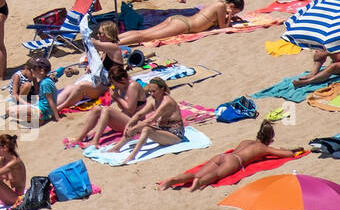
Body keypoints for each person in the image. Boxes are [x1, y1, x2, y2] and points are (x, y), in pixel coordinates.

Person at [160, 123, 303, 191]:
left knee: (195, 173)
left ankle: (172, 181)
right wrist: (291, 150)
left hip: (223, 156)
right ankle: (199, 183)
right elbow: (288, 154)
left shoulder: (246, 141)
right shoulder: (264, 148)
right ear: (270, 137)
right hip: (234, 161)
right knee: (215, 175)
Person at [106, 78, 187, 165]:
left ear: (162, 89)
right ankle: (117, 148)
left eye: (154, 91)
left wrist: (134, 128)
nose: (151, 94)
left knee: (146, 129)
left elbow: (151, 120)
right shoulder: (154, 101)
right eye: (150, 91)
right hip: (163, 129)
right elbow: (139, 115)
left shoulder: (167, 102)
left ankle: (132, 155)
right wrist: (129, 125)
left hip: (175, 134)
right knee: (137, 124)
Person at [116, 0, 243, 45]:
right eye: (235, 12)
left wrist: (230, 16)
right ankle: (116, 44)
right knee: (144, 37)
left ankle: (115, 40)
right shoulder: (221, 6)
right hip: (184, 25)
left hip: (179, 20)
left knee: (142, 32)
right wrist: (230, 15)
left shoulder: (217, 2)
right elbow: (223, 27)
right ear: (231, 6)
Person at [4, 58, 59, 127]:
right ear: (26, 69)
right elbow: (14, 93)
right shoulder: (18, 76)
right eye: (31, 71)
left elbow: (37, 89)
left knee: (10, 111)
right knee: (27, 85)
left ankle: (37, 119)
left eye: (34, 70)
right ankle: (34, 116)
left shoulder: (43, 81)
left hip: (41, 109)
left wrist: (57, 118)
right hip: (19, 96)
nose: (33, 73)